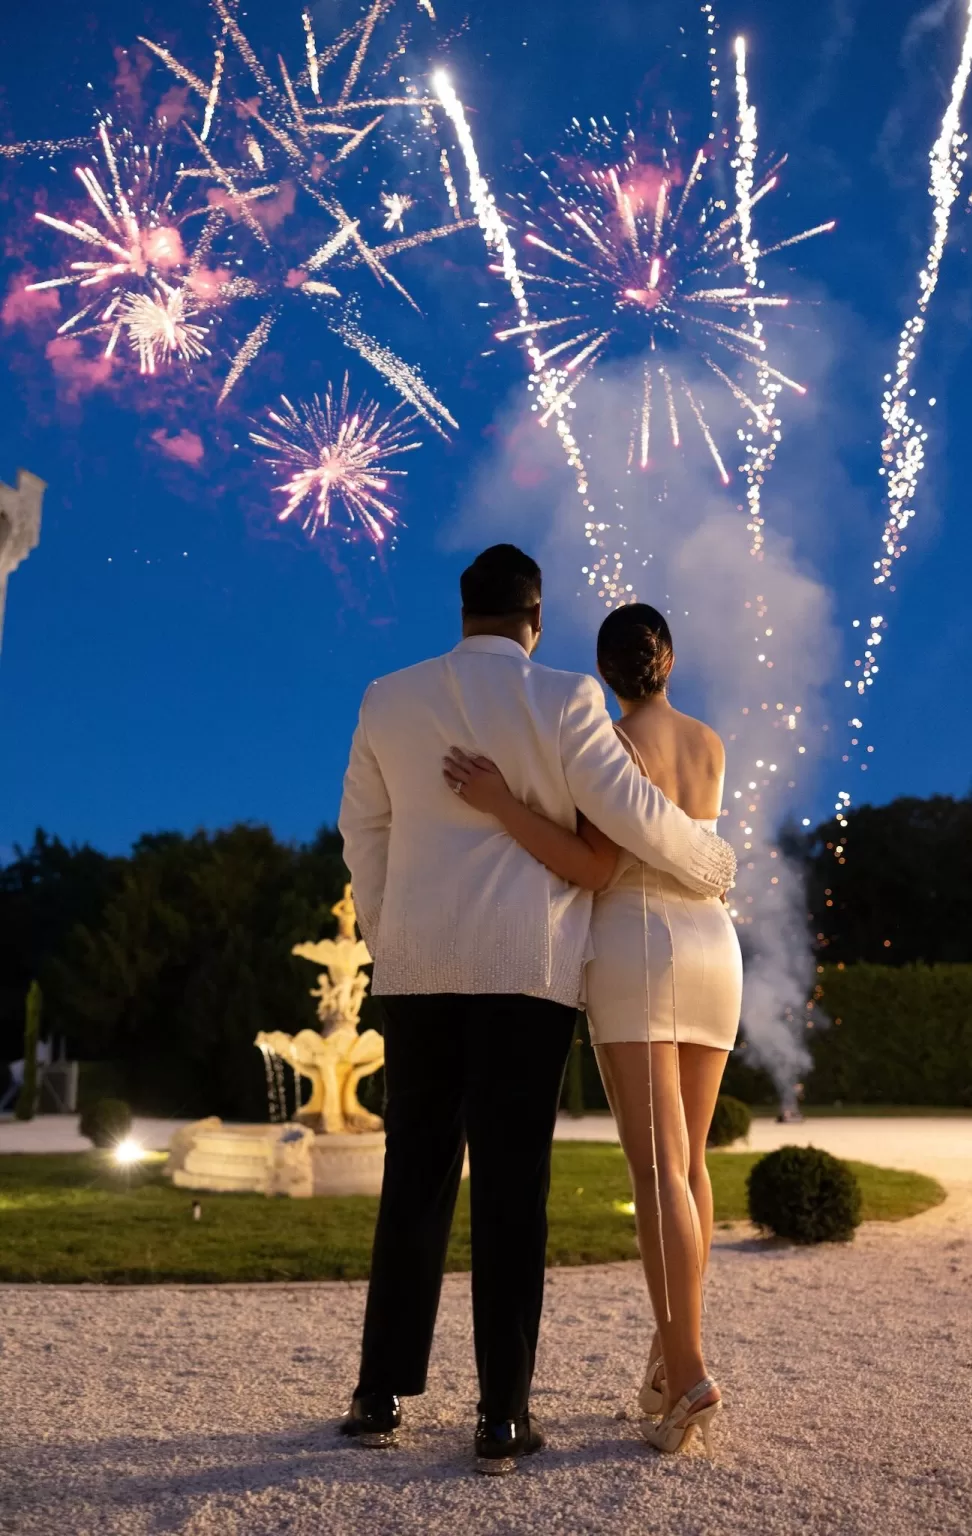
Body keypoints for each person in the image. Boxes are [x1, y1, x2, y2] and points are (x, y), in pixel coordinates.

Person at [339, 547, 736, 1473]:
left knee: (414, 1180)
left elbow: (364, 832)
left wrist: (385, 933)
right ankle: (502, 1417)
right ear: (536, 617)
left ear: (464, 609)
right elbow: (632, 811)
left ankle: (380, 1392)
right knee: (514, 1192)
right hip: (528, 969)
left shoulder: (387, 698)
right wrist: (715, 865)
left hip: (419, 969)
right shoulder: (564, 700)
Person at [442, 602, 742, 1459]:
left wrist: (500, 803)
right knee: (689, 1166)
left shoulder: (606, 747)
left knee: (654, 1171)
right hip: (714, 946)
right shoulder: (711, 743)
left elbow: (594, 865)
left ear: (606, 675)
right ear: (670, 662)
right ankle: (670, 1349)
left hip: (640, 949)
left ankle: (687, 1372)